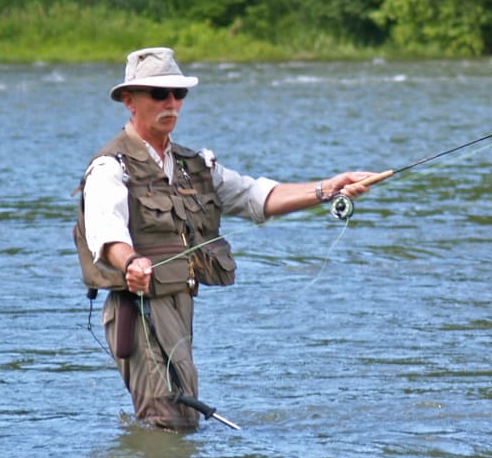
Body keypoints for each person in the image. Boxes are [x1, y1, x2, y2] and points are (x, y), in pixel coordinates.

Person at [73, 47, 374, 431]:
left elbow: (255, 196)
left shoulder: (192, 165)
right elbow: (106, 231)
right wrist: (131, 263)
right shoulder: (109, 167)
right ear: (130, 101)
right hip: (139, 310)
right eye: (158, 94)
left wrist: (326, 190)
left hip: (180, 307)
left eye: (178, 94)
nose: (171, 103)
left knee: (181, 419)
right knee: (169, 420)